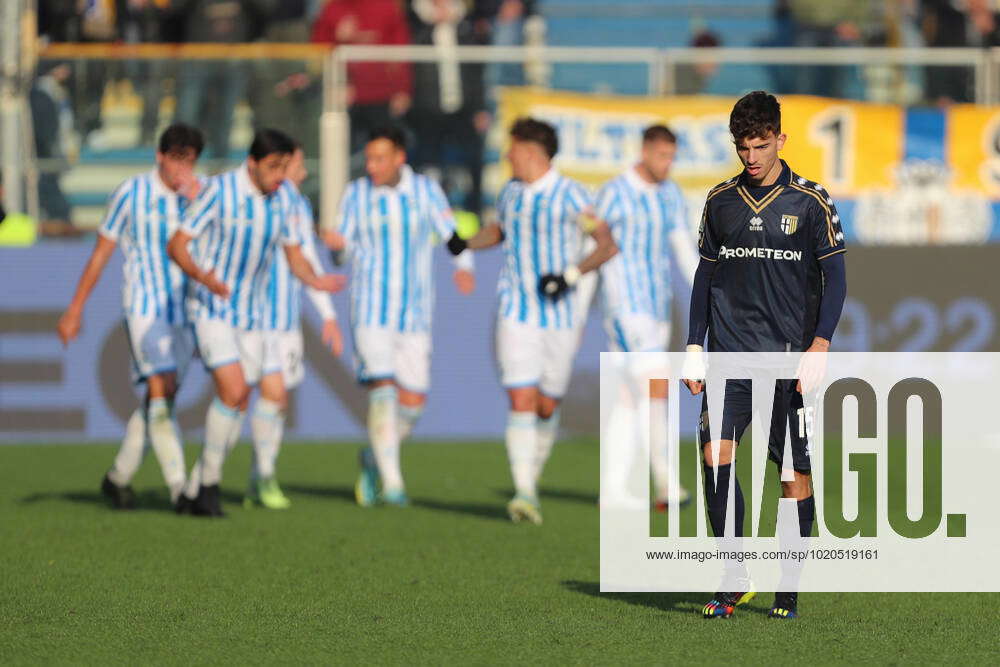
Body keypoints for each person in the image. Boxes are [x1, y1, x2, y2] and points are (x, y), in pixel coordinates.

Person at [683, 91, 847, 619]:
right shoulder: (720, 202)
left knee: (791, 473)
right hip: (729, 357)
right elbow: (705, 275)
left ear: (781, 139)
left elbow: (836, 279)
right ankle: (734, 575)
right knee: (715, 458)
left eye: (760, 145)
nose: (751, 157)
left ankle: (789, 586)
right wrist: (693, 344)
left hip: (788, 360)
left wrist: (819, 345)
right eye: (742, 147)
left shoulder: (811, 201)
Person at [166, 128, 346, 517]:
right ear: (252, 163)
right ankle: (210, 489)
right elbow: (177, 244)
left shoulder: (284, 200)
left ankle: (197, 486)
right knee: (233, 391)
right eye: (272, 166)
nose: (279, 174)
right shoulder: (219, 191)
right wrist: (203, 278)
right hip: (212, 307)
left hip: (253, 315)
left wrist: (316, 281)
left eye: (284, 166)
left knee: (239, 400)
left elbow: (295, 255)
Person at [452, 118, 617, 525]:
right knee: (520, 399)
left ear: (529, 151)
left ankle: (531, 478)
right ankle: (524, 493)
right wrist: (466, 242)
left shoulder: (572, 196)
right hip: (515, 310)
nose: (506, 155)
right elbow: (500, 230)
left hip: (560, 317)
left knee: (546, 404)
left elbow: (606, 245)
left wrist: (570, 277)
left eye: (511, 148)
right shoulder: (510, 193)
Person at [57, 123, 206, 509]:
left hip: (187, 310)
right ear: (160, 156)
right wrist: (75, 309)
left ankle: (118, 476)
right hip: (144, 307)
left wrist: (200, 202)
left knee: (163, 397)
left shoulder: (202, 193)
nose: (182, 169)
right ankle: (180, 489)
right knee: (162, 385)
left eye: (189, 161)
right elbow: (102, 253)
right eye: (176, 159)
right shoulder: (131, 193)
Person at [324, 126, 475, 507]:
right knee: (383, 391)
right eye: (369, 158)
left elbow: (450, 234)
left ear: (399, 159)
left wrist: (465, 264)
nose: (372, 166)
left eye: (380, 158)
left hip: (416, 312)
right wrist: (338, 249)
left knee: (412, 403)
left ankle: (374, 458)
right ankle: (393, 485)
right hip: (371, 308)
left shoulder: (425, 191)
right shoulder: (357, 193)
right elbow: (341, 249)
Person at [596, 124, 699, 511]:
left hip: (657, 306)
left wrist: (704, 292)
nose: (667, 164)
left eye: (672, 157)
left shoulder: (670, 194)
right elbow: (594, 246)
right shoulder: (614, 194)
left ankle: (613, 489)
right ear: (644, 151)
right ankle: (666, 482)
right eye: (661, 156)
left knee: (628, 397)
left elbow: (682, 249)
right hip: (625, 305)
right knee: (657, 383)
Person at [243, 144, 344, 510]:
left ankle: (259, 475)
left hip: (286, 319)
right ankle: (254, 476)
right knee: (265, 397)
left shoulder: (297, 204)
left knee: (276, 402)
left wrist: (327, 314)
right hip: (255, 317)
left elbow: (308, 257)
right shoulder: (261, 197)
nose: (300, 170)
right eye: (296, 163)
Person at [311, 0, 413, 162]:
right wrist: (338, 38)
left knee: (385, 153)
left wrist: (403, 90)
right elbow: (316, 54)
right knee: (342, 156)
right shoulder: (331, 8)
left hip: (382, 97)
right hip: (344, 99)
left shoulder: (387, 6)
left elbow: (400, 50)